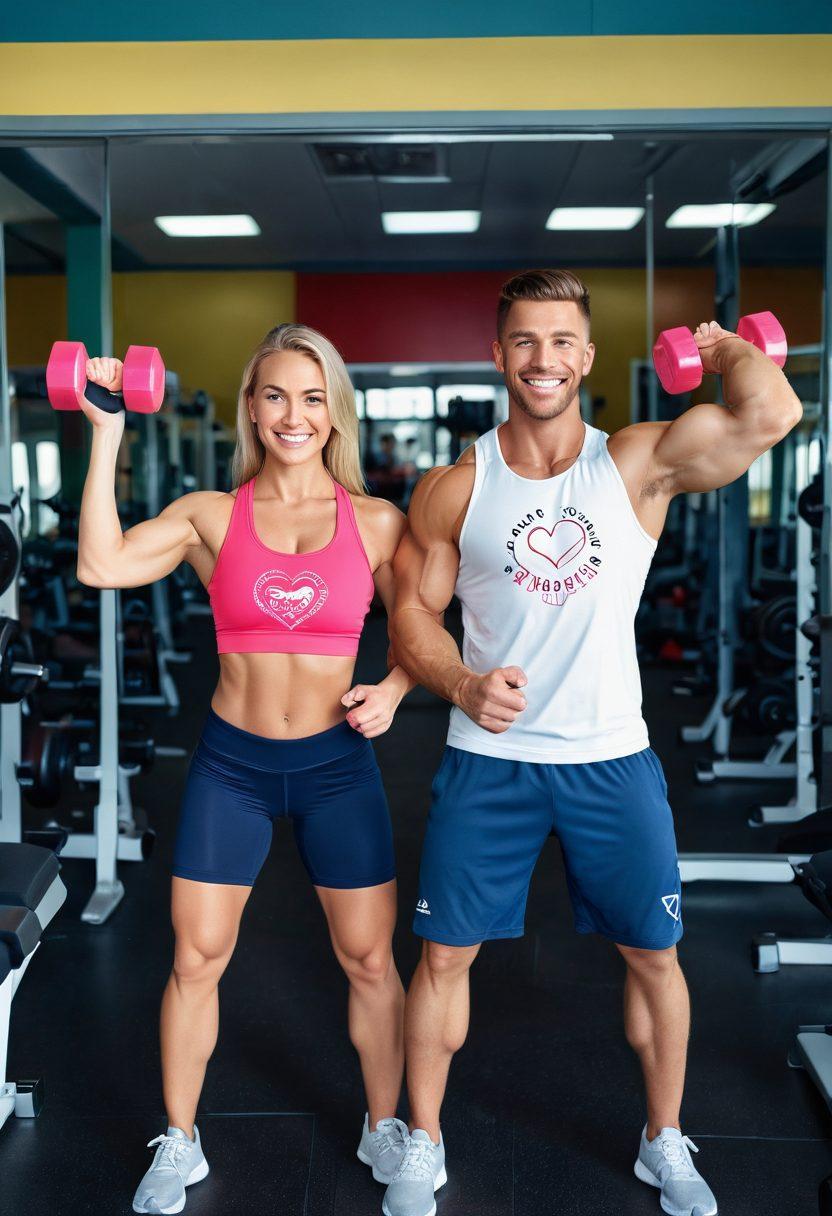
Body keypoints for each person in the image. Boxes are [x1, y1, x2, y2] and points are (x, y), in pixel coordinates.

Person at [386, 269, 803, 1216]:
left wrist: (725, 347)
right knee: (444, 957)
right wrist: (459, 681)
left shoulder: (637, 463)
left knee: (655, 955)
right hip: (489, 758)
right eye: (525, 341)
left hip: (611, 756)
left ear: (586, 356)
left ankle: (665, 1139)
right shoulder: (456, 486)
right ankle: (424, 1139)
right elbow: (412, 612)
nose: (544, 359)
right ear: (499, 355)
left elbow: (768, 415)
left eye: (562, 341)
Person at [74, 323, 415, 1215]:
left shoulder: (377, 522)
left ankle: (386, 1124)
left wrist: (399, 683)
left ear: (333, 410)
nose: (292, 415)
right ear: (252, 408)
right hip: (233, 765)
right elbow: (101, 563)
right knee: (196, 956)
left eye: (311, 397)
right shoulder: (209, 515)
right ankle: (178, 1140)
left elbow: (430, 620)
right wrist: (106, 431)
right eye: (275, 396)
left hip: (340, 764)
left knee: (371, 958)